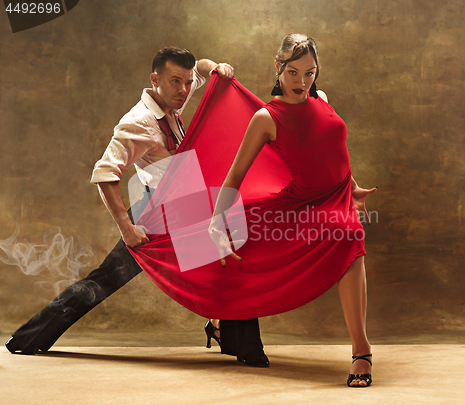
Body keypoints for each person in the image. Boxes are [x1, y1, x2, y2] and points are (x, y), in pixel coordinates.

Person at [5, 46, 268, 367]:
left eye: (187, 83)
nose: (185, 91)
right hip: (154, 214)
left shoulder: (174, 96)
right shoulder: (138, 122)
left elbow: (199, 68)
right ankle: (27, 339)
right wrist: (127, 230)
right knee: (102, 281)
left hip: (187, 209)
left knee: (230, 266)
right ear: (155, 80)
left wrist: (216, 68)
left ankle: (235, 340)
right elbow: (104, 174)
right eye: (176, 82)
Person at [208, 34, 376, 387]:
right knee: (241, 245)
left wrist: (353, 186)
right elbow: (235, 175)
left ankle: (361, 351)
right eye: (294, 73)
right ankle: (219, 321)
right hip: (301, 205)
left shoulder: (323, 99)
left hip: (339, 196)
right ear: (277, 68)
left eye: (310, 73)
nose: (302, 82)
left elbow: (330, 150)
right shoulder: (266, 117)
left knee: (350, 235)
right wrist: (215, 223)